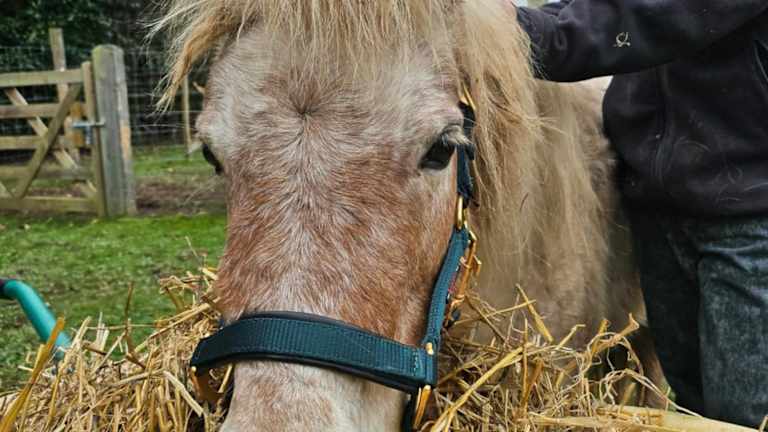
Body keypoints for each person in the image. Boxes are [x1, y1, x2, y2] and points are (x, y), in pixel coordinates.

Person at [513, 0, 768, 427]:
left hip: (748, 212)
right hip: (659, 201)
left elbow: (663, 15)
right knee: (692, 405)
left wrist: (526, 34)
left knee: (743, 415)